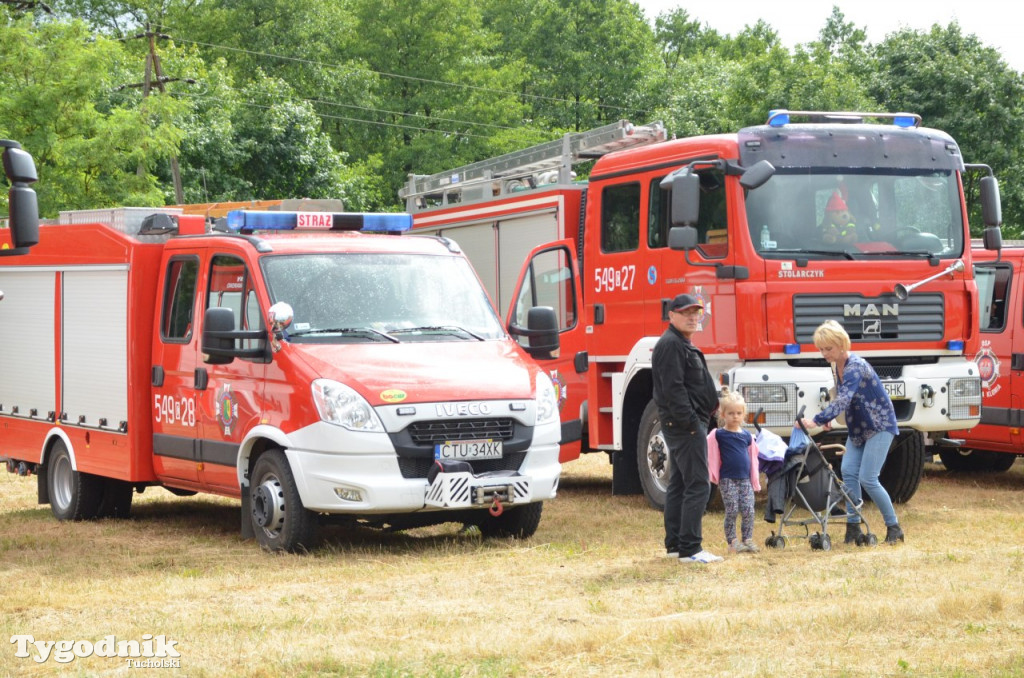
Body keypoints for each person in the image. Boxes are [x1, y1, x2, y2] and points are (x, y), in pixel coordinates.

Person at [800, 319, 905, 545]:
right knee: (848, 472)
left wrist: (818, 420)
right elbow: (844, 398)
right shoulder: (837, 365)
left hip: (879, 425)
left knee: (868, 478)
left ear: (841, 345)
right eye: (821, 349)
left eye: (829, 348)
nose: (824, 353)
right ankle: (853, 527)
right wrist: (832, 417)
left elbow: (845, 397)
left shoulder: (855, 366)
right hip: (859, 427)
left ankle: (894, 527)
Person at [652, 293, 722, 563]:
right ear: (672, 315)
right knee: (698, 485)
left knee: (680, 484)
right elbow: (673, 390)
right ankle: (691, 549)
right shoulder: (671, 344)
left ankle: (675, 546)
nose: (693, 317)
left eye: (697, 312)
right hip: (686, 427)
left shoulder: (679, 342)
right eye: (686, 312)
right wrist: (691, 422)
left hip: (687, 424)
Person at [707, 390, 761, 553]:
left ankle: (747, 539)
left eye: (738, 413)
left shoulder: (746, 436)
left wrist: (754, 479)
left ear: (743, 414)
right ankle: (732, 542)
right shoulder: (719, 435)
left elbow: (753, 456)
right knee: (731, 509)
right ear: (723, 414)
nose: (735, 416)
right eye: (731, 413)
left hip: (745, 479)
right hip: (727, 479)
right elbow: (709, 448)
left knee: (748, 509)